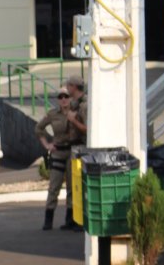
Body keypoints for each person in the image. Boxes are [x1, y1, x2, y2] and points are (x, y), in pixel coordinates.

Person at [34, 88, 75, 230]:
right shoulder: (53, 114)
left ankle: (70, 220)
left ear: (70, 98)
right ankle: (48, 220)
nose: (63, 99)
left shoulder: (76, 112)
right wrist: (47, 145)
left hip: (71, 152)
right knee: (54, 187)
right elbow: (38, 128)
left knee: (72, 187)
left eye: (66, 96)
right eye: (60, 97)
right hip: (57, 152)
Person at [61, 76, 88, 232]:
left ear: (74, 87)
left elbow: (87, 128)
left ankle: (80, 220)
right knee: (72, 185)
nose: (66, 89)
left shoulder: (84, 105)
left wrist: (73, 120)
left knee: (80, 185)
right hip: (73, 148)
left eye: (68, 86)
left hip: (82, 149)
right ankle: (72, 218)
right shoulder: (74, 104)